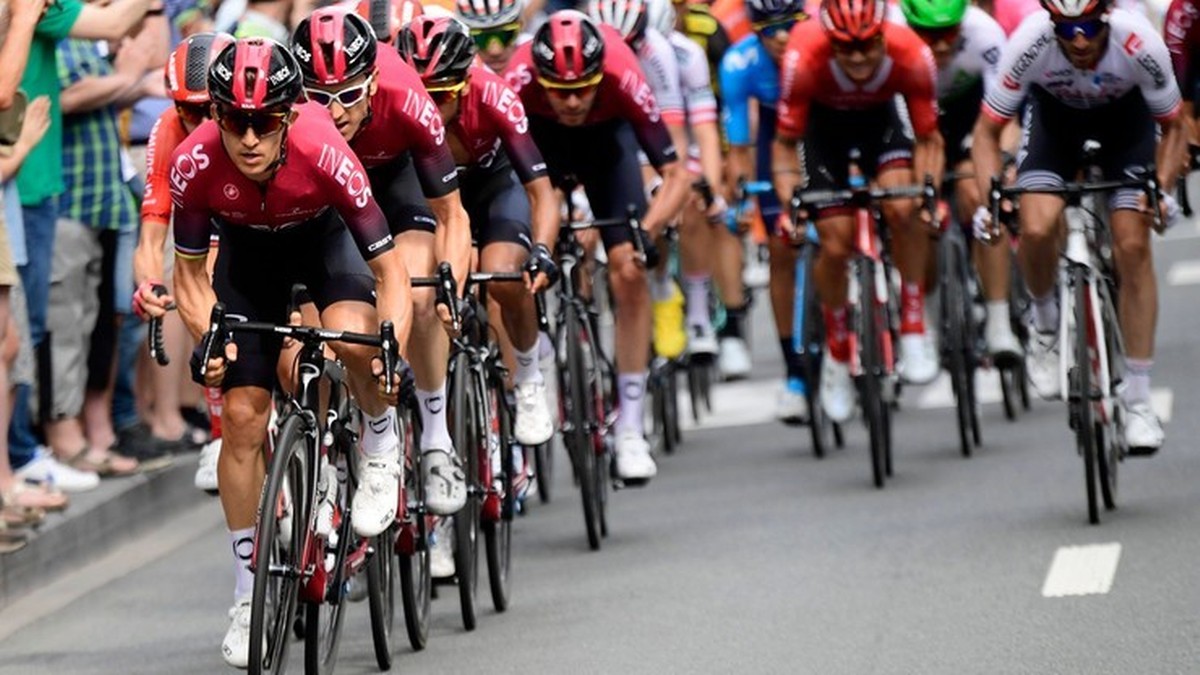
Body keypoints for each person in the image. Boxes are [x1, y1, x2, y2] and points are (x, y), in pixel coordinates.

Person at [169, 37, 414, 666]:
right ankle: (250, 594)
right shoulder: (194, 162)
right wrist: (207, 343)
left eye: (265, 122)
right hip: (249, 264)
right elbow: (192, 278)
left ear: (289, 114)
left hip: (323, 244)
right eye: (234, 121)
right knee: (245, 417)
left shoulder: (325, 149)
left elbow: (388, 272)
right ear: (217, 115)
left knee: (355, 338)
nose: (249, 138)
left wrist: (391, 348)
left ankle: (381, 443)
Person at [971, 0, 1184, 454]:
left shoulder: (1138, 41)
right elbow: (988, 132)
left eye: (1088, 26)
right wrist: (991, 195)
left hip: (1127, 133)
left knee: (1132, 244)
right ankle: (1045, 325)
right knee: (1036, 226)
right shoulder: (1030, 41)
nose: (1079, 40)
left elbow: (1174, 125)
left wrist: (1162, 188)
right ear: (1052, 23)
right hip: (1055, 131)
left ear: (1106, 16)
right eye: (1066, 29)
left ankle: (1140, 400)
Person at [292, 7, 474, 515]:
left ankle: (436, 438)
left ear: (372, 81)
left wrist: (450, 287)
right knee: (317, 330)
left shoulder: (407, 96)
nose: (334, 111)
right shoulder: (290, 118)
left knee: (416, 295)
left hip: (396, 181)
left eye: (349, 95)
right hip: (328, 190)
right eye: (317, 98)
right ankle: (325, 460)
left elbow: (452, 215)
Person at [396, 15, 557, 573]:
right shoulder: (397, 107)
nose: (429, 106)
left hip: (491, 192)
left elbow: (541, 190)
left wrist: (542, 249)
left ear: (464, 83)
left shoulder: (494, 95)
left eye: (440, 95)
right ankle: (434, 521)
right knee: (424, 305)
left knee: (505, 274)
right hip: (430, 202)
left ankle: (530, 376)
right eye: (420, 92)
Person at [505, 10, 691, 481]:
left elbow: (676, 176)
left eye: (584, 88)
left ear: (600, 74)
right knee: (510, 263)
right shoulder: (519, 76)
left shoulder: (624, 72)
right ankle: (538, 351)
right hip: (539, 148)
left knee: (628, 269)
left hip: (607, 148)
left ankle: (629, 426)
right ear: (540, 77)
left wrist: (644, 233)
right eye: (561, 91)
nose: (572, 102)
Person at [771, 0, 946, 424]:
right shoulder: (802, 54)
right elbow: (783, 146)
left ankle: (913, 319)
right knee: (834, 242)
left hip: (882, 125)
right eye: (844, 48)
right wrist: (790, 204)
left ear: (883, 35)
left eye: (867, 46)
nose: (857, 58)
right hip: (822, 132)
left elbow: (928, 140)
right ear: (828, 41)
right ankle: (836, 348)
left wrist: (929, 195)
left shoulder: (911, 53)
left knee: (904, 208)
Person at [133, 32, 235, 492]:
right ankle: (218, 429)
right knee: (196, 279)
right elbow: (152, 233)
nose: (198, 123)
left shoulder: (265, 117)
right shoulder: (169, 130)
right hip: (213, 211)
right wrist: (148, 285)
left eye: (210, 109)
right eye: (187, 110)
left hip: (275, 211)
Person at [898, 0, 1022, 362]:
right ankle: (933, 319)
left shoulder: (984, 33)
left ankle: (999, 321)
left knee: (980, 195)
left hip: (972, 120)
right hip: (914, 122)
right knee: (915, 211)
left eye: (948, 33)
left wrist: (1003, 162)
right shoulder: (893, 38)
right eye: (929, 35)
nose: (939, 45)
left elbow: (1006, 114)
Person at [719, 0, 811, 419]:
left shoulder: (818, 46)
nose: (778, 38)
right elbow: (739, 146)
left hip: (822, 122)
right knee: (780, 249)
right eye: (767, 29)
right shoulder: (740, 63)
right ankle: (795, 372)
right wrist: (741, 195)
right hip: (775, 136)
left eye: (788, 26)